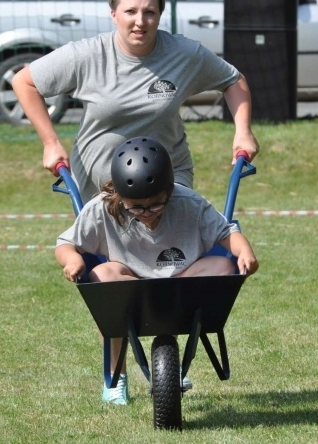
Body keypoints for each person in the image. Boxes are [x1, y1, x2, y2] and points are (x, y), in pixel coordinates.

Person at [12, 0, 259, 204]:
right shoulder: (87, 55)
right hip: (99, 183)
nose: (140, 22)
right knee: (103, 250)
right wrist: (51, 143)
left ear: (160, 16)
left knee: (171, 245)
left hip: (169, 177)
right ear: (114, 15)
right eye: (130, 11)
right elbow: (24, 81)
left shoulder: (184, 54)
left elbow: (232, 80)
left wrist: (243, 132)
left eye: (149, 12)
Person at [55, 137, 258, 404]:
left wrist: (244, 251)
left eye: (156, 204)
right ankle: (117, 377)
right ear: (118, 194)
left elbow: (226, 232)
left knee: (223, 265)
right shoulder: (102, 208)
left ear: (170, 190)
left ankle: (172, 370)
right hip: (130, 284)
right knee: (102, 275)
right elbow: (66, 243)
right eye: (136, 207)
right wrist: (72, 260)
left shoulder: (189, 203)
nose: (147, 213)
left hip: (180, 281)